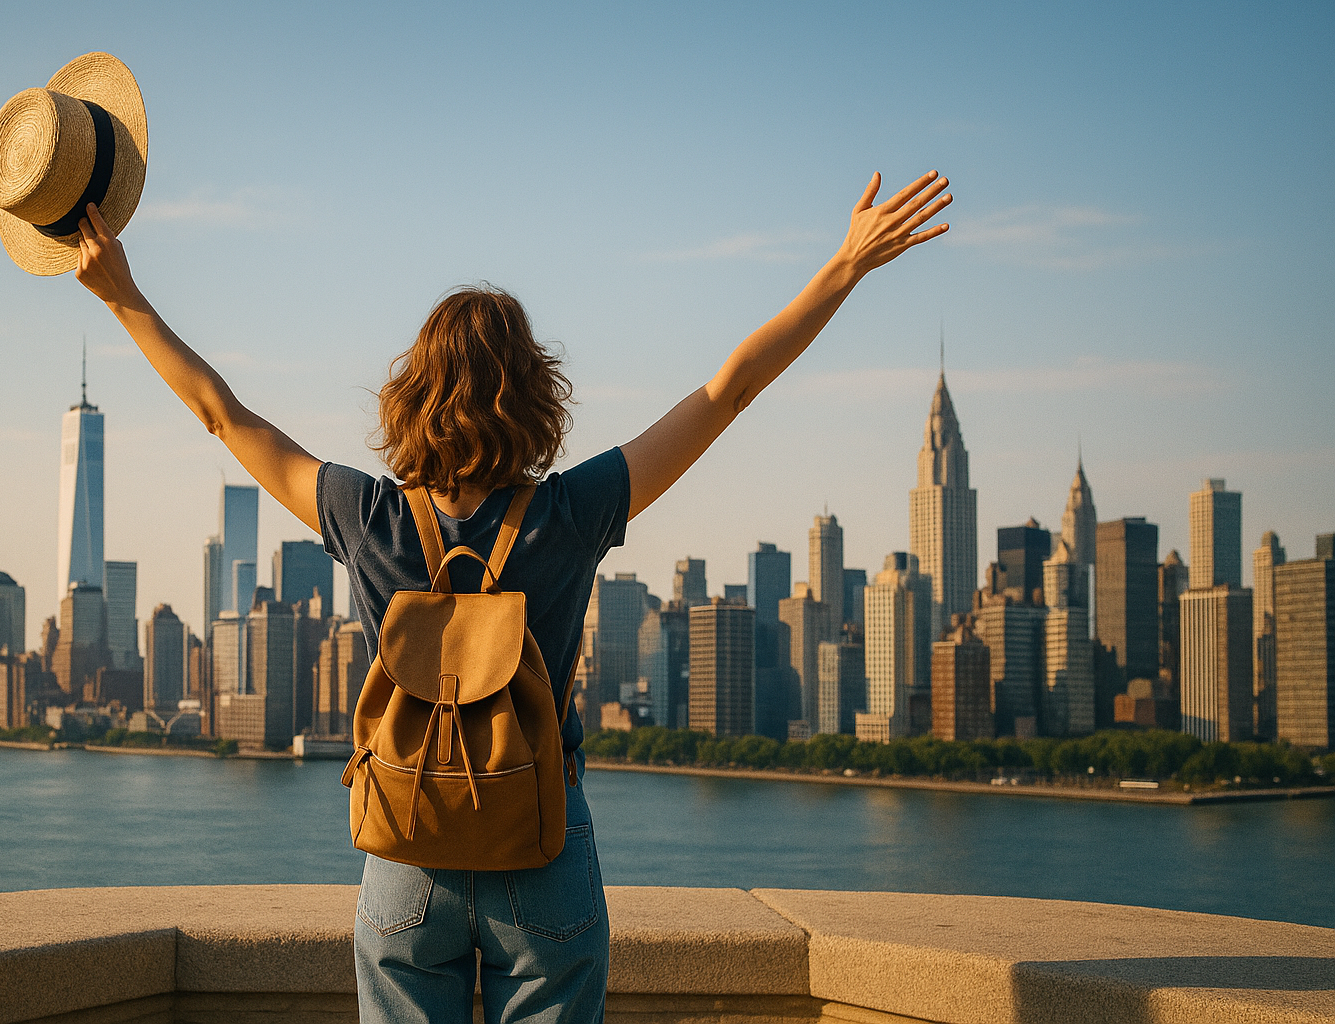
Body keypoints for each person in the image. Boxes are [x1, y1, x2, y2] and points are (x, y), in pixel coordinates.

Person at [73, 169, 950, 1024]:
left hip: (407, 846)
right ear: (535, 395)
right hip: (542, 841)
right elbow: (730, 391)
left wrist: (123, 295)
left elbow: (224, 416)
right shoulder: (572, 513)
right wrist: (845, 266)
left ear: (410, 394)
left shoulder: (363, 511)